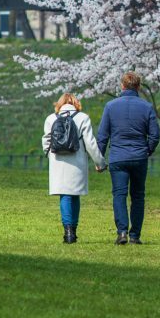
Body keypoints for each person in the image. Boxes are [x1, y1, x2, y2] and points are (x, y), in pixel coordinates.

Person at [97, 71, 160, 245]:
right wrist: (147, 150)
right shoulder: (146, 107)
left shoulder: (110, 106)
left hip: (118, 156)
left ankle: (122, 232)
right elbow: (155, 135)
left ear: (122, 86)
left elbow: (102, 135)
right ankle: (135, 236)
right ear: (139, 87)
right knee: (138, 196)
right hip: (139, 156)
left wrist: (99, 159)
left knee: (119, 194)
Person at [42, 92, 106, 244]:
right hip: (77, 162)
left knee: (64, 195)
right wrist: (100, 162)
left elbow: (46, 141)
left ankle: (68, 232)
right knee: (75, 195)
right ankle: (73, 231)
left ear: (60, 104)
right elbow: (90, 144)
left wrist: (50, 156)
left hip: (58, 162)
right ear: (76, 104)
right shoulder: (82, 118)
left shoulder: (51, 119)